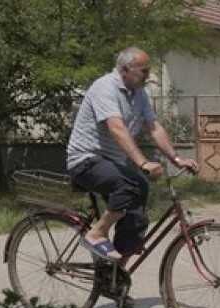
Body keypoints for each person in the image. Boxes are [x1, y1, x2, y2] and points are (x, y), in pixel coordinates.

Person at [66, 46, 199, 261]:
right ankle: (97, 233)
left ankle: (116, 273)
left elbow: (154, 127)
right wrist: (143, 162)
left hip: (111, 163)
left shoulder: (139, 94)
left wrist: (177, 158)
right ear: (126, 69)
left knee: (138, 208)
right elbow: (116, 127)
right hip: (85, 161)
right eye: (143, 71)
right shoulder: (105, 87)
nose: (148, 76)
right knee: (131, 184)